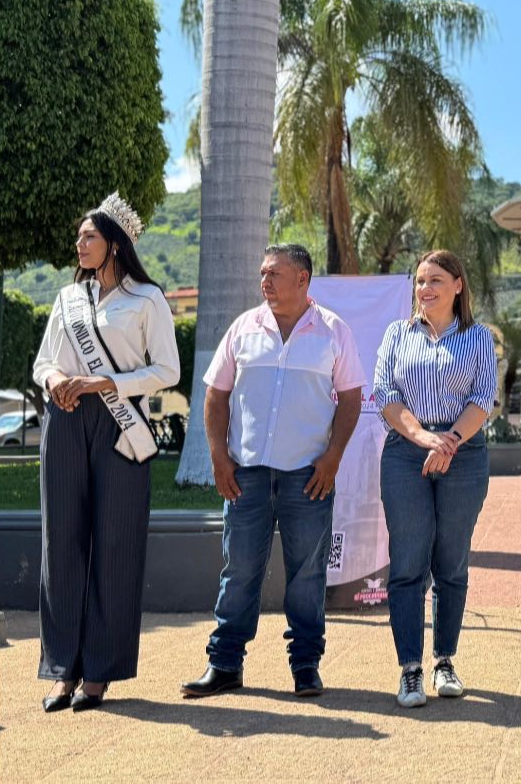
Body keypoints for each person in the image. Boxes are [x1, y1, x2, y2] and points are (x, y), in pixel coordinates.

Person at [182, 244, 365, 700]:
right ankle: (224, 664)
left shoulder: (334, 332)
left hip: (309, 476)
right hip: (246, 475)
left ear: (302, 279)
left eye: (274, 274)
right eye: (262, 273)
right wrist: (219, 457)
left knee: (307, 575)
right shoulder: (243, 328)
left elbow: (351, 399)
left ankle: (305, 666)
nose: (264, 281)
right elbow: (216, 395)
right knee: (240, 570)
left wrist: (333, 457)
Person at [32, 194, 180, 712]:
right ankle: (62, 670)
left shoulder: (148, 299)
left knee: (116, 544)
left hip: (120, 426)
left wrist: (106, 382)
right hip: (65, 418)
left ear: (114, 243)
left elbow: (167, 370)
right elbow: (43, 361)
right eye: (79, 236)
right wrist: (56, 380)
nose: (79, 243)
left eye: (89, 236)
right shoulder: (67, 299)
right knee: (60, 542)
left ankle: (99, 672)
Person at [375, 249, 497, 707]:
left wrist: (449, 443)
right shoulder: (396, 334)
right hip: (406, 453)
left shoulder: (478, 337)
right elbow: (385, 393)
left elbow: (483, 398)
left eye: (436, 280)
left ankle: (445, 660)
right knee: (408, 563)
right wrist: (425, 438)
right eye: (420, 281)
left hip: (463, 455)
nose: (425, 289)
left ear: (458, 286)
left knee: (451, 563)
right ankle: (410, 669)